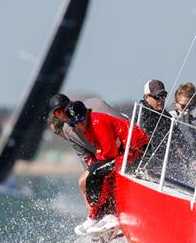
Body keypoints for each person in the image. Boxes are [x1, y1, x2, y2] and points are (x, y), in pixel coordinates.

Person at [65, 100, 149, 232]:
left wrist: (100, 159)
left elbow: (110, 153)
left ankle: (105, 215)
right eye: (74, 123)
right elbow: (102, 150)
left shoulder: (97, 122)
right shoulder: (86, 128)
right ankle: (97, 215)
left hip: (137, 150)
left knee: (97, 173)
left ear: (86, 113)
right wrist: (99, 158)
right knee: (94, 173)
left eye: (80, 119)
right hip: (124, 151)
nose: (79, 124)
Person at [47, 93, 126, 235]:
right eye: (58, 113)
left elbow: (124, 126)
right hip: (107, 159)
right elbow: (86, 159)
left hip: (125, 150)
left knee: (94, 177)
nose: (63, 114)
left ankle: (109, 217)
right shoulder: (68, 130)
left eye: (64, 109)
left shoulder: (95, 106)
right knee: (85, 182)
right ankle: (99, 219)